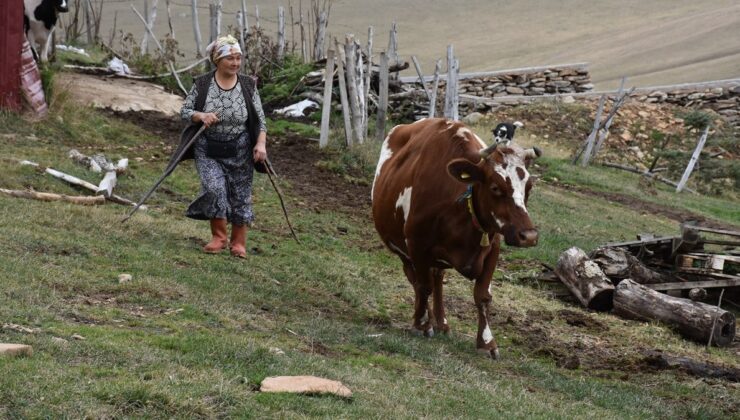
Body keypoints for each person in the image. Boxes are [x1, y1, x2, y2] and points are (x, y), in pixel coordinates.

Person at [180, 34, 268, 258]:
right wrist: (201, 115)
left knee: (241, 194)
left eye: (238, 58)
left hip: (240, 148)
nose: (236, 63)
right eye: (230, 58)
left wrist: (260, 144)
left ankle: (238, 243)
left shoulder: (248, 84)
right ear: (217, 60)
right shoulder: (202, 84)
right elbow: (185, 111)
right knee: (214, 188)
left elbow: (260, 118)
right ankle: (219, 237)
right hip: (207, 147)